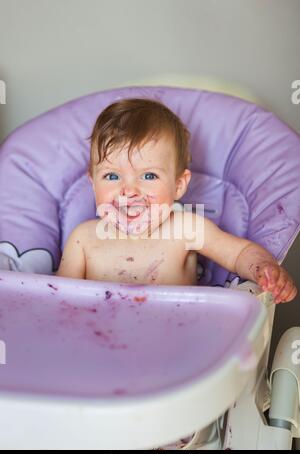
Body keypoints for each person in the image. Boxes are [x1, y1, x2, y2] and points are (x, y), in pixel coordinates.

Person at [56, 98, 297, 304]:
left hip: (175, 342)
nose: (128, 191)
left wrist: (265, 269)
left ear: (179, 185)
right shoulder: (83, 239)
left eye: (149, 175)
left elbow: (239, 253)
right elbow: (58, 300)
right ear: (93, 181)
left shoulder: (186, 229)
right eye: (112, 175)